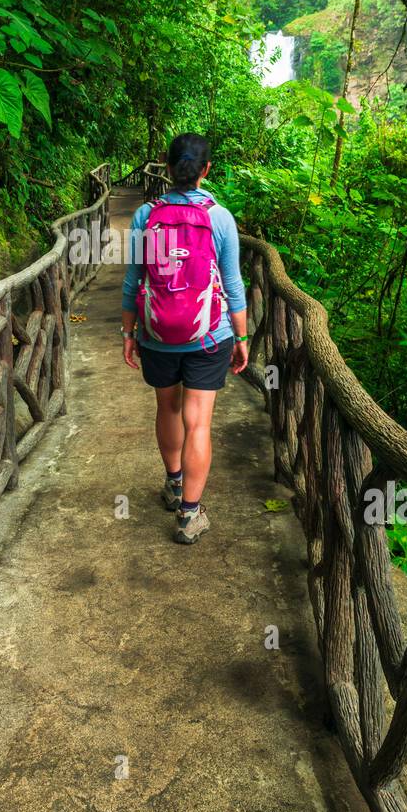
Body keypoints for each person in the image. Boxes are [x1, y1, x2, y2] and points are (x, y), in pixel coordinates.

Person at [120, 134, 249, 544]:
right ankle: (189, 515)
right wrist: (242, 337)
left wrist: (128, 333)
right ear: (206, 169)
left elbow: (132, 282)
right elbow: (233, 284)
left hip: (157, 334)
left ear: (167, 165)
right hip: (209, 335)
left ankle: (174, 484)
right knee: (199, 422)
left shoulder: (145, 215)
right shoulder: (220, 218)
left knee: (167, 407)